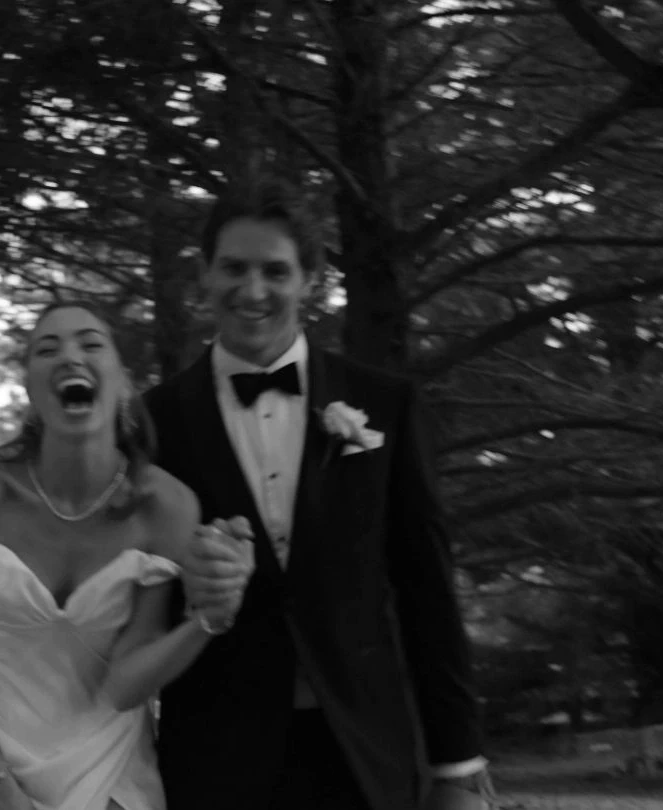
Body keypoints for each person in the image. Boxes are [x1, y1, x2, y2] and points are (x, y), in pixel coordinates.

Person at [143, 179, 495, 810]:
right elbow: (132, 600)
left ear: (311, 279)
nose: (253, 290)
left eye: (275, 271)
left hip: (367, 755)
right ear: (204, 274)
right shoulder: (153, 423)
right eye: (234, 268)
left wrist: (458, 764)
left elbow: (427, 592)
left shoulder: (387, 403)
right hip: (215, 761)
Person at [0, 302, 255, 810]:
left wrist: (208, 620)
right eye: (47, 349)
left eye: (91, 344)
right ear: (29, 387)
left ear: (121, 379)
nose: (70, 357)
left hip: (112, 772)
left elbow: (124, 687)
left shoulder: (165, 506)